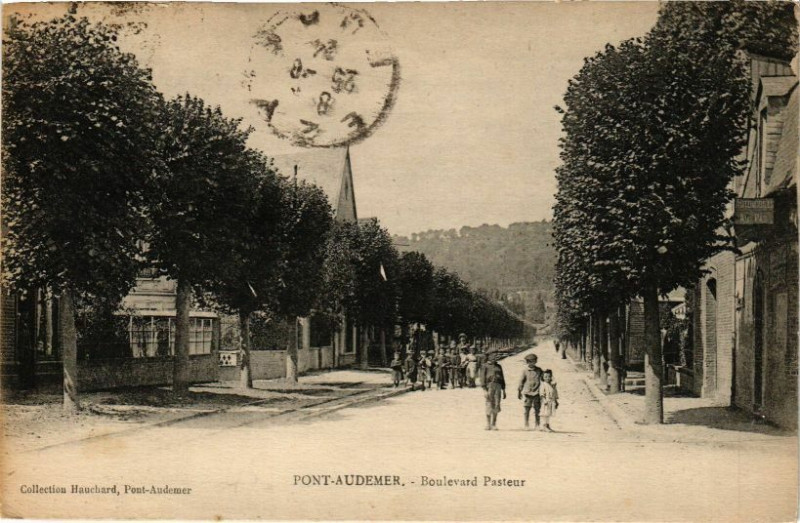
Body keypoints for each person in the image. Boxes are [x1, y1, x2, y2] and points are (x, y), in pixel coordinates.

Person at [518, 353, 544, 430]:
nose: (531, 363)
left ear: (536, 361)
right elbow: (521, 381)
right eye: (529, 361)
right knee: (527, 409)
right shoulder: (525, 371)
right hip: (527, 393)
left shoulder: (539, 370)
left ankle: (537, 424)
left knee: (537, 409)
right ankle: (526, 424)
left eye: (533, 361)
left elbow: (544, 379)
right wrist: (519, 391)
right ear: (527, 362)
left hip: (537, 393)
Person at [481, 351, 506, 430]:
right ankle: (488, 424)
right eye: (493, 355)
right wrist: (484, 390)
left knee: (496, 404)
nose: (495, 357)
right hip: (489, 387)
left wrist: (504, 390)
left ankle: (494, 424)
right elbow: (482, 379)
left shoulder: (499, 366)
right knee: (489, 404)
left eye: (496, 355)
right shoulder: (485, 366)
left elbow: (502, 378)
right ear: (489, 356)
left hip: (498, 387)